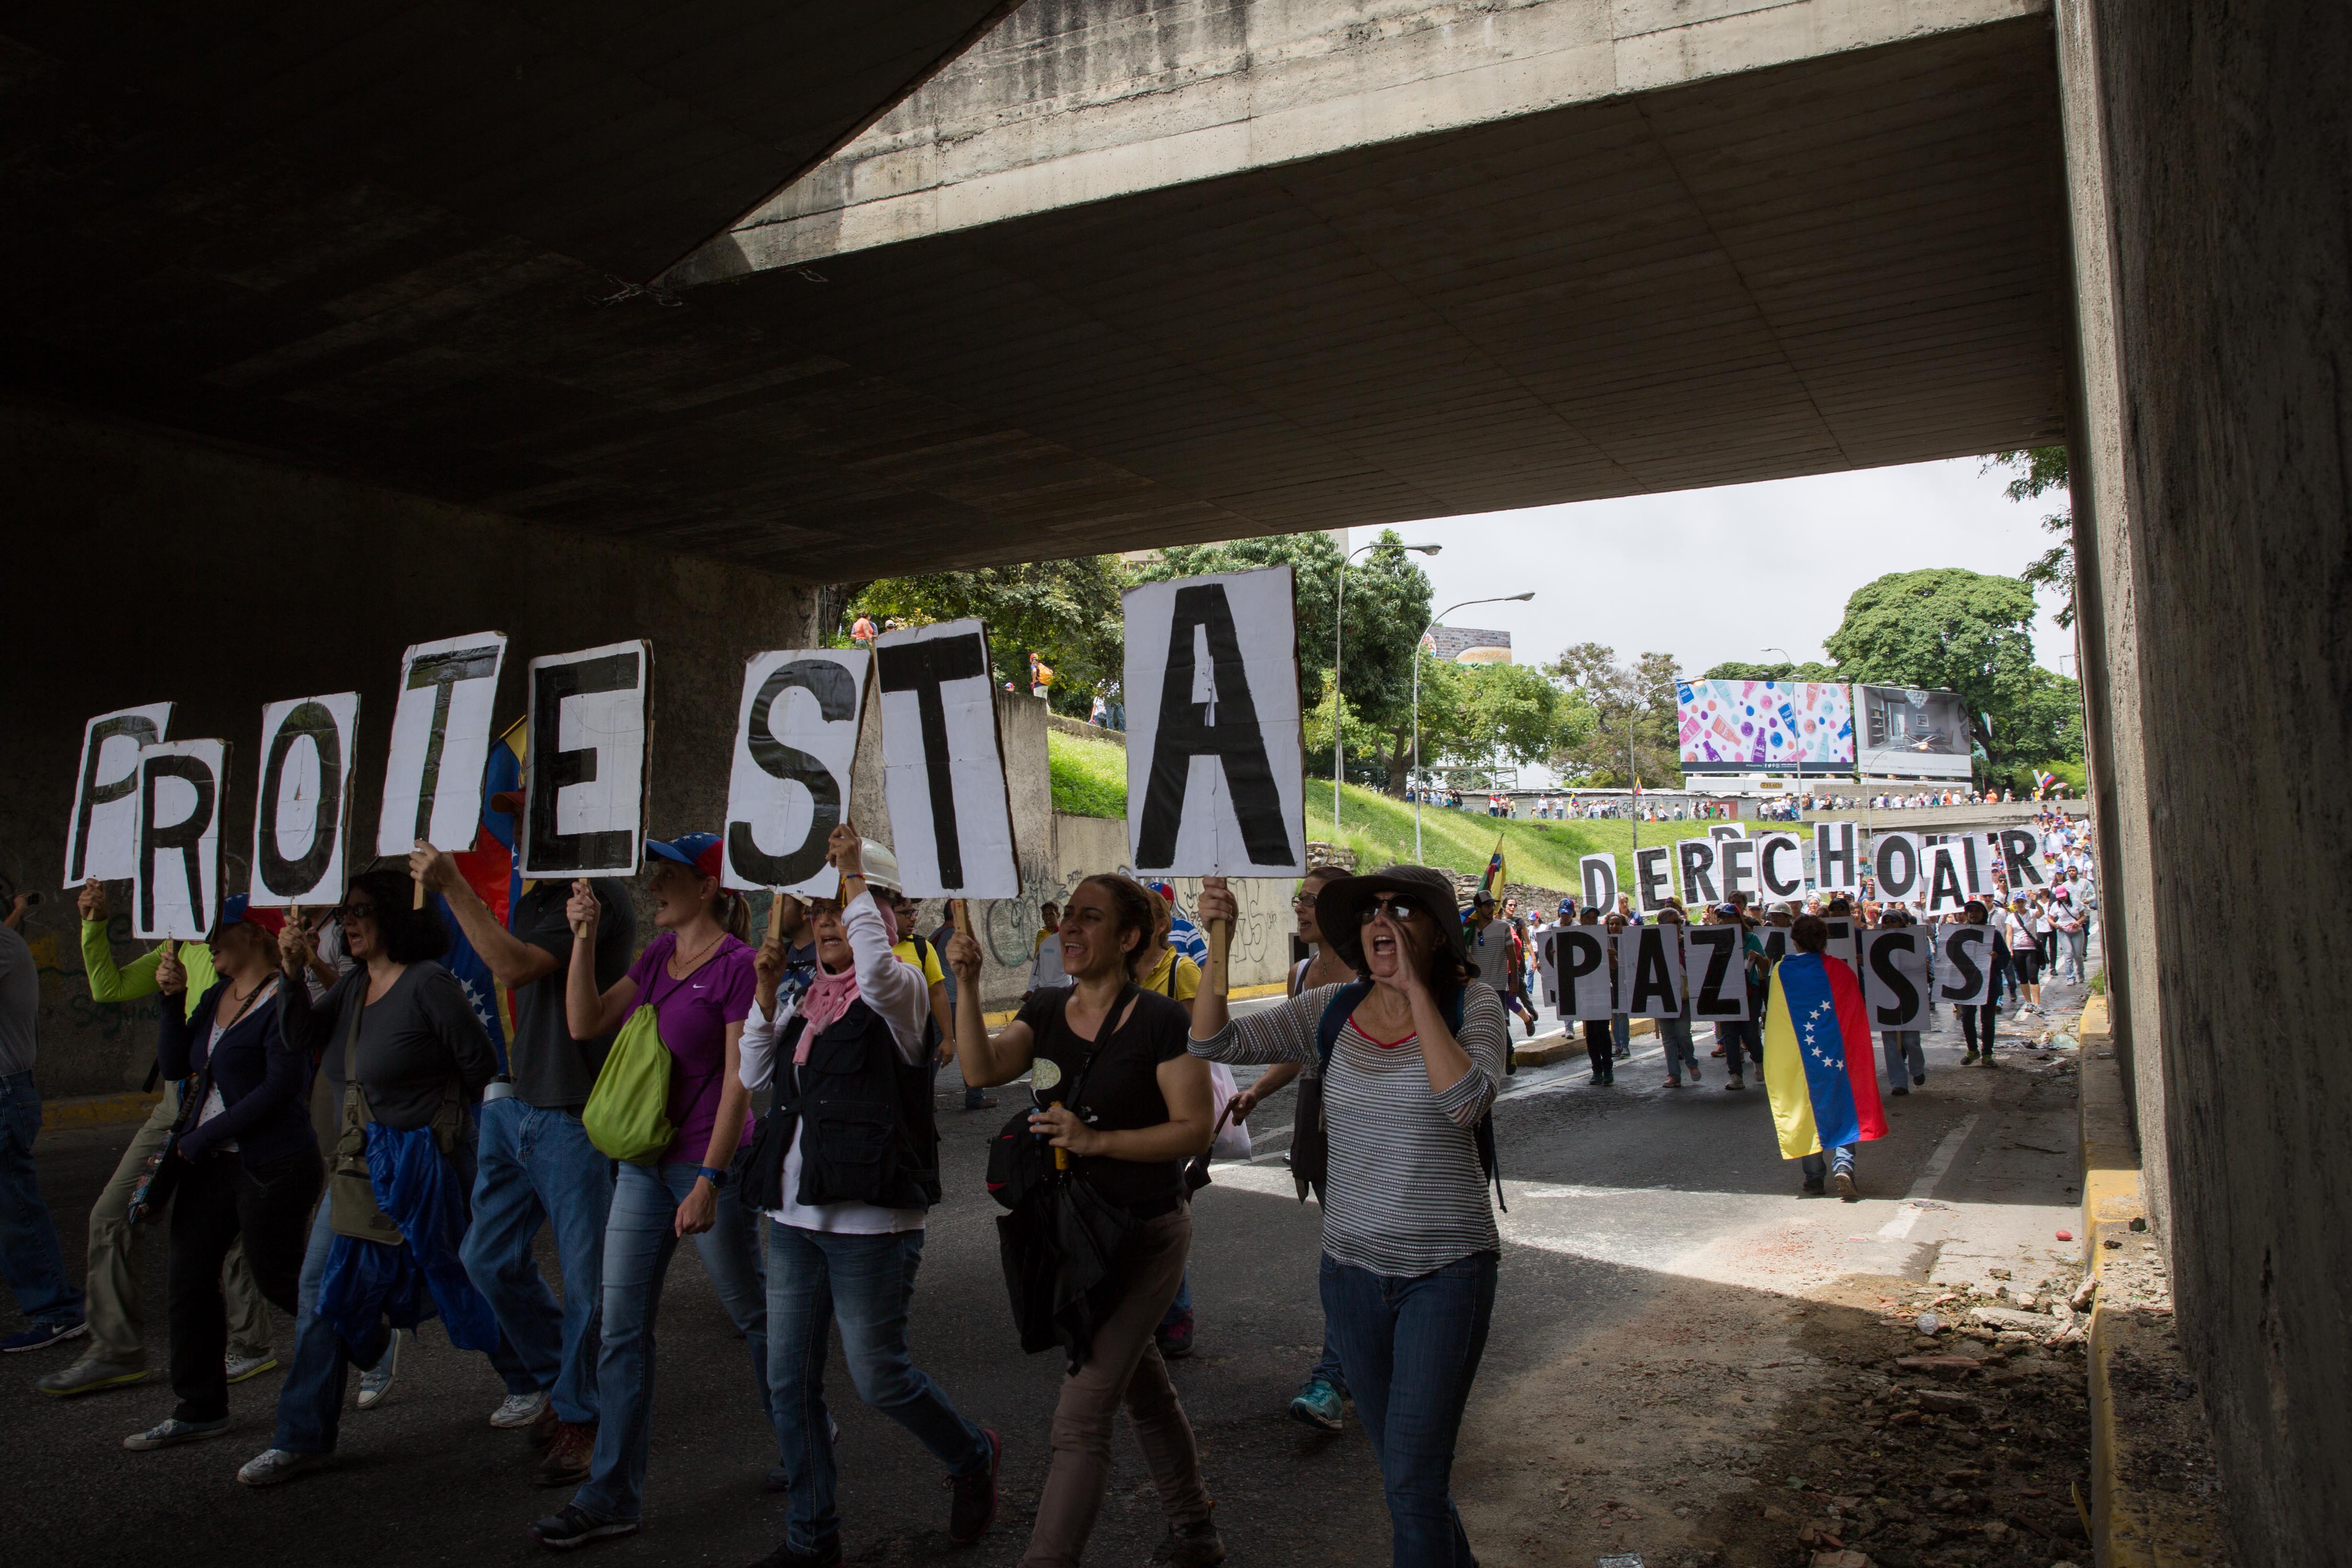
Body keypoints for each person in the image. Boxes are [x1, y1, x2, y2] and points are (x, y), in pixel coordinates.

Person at [1190, 864, 1506, 1567]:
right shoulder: (1329, 1008)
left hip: (1446, 1274)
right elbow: (1213, 1043)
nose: (1381, 921)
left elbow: (1465, 1102)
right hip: (1352, 1276)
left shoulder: (1473, 1006)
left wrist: (1417, 993)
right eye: (1371, 911)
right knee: (1405, 1476)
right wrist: (1221, 940)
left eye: (1402, 911)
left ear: (1436, 933)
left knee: (1415, 1479)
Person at [739, 827, 1002, 1567]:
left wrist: (854, 875)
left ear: (893, 916)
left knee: (879, 1376)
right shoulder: (803, 1000)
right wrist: (764, 998)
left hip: (871, 1226)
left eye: (850, 904)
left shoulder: (903, 993)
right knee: (788, 1383)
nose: (829, 917)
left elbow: (877, 971)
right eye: (819, 907)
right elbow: (754, 1078)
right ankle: (812, 1538)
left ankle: (971, 1454)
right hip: (792, 1222)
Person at [946, 875, 1222, 1568]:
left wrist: (1099, 1142)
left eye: (1089, 918)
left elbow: (1194, 1129)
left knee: (1080, 1416)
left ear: (1128, 939)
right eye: (1068, 915)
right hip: (1076, 1236)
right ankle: (1195, 1529)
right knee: (1142, 1386)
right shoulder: (1042, 1008)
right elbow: (980, 1069)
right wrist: (970, 984)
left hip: (1146, 1234)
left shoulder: (1161, 1022)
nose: (1069, 927)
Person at [526, 834, 771, 1548]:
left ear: (707, 888)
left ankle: (805, 1434)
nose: (654, 884)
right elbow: (584, 1022)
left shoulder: (737, 967)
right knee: (622, 1328)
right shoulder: (660, 956)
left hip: (705, 1167)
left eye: (668, 875)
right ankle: (611, 1496)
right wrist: (582, 939)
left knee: (754, 1314)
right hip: (643, 1164)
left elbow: (738, 1084)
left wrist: (709, 1181)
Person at [237, 868, 508, 1487]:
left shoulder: (428, 984)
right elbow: (301, 1035)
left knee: (469, 1276)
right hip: (360, 1172)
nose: (349, 922)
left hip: (426, 1167)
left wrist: (444, 1135)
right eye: (345, 911)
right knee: (320, 1291)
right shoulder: (356, 984)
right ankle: (302, 1437)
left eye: (361, 910)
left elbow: (481, 1065)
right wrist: (291, 971)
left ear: (395, 915)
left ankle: (534, 1379)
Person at [413, 841, 634, 1488]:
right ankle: (560, 1381)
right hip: (517, 1105)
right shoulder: (538, 896)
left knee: (588, 1279)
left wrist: (455, 886)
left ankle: (584, 1415)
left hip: (570, 1115)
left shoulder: (595, 896)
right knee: (486, 1258)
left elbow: (511, 969)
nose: (516, 839)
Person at [36, 879, 273, 1390]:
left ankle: (253, 1342)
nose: (209, 937)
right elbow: (108, 988)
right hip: (181, 1096)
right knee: (112, 1214)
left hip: (230, 1094)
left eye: (218, 925)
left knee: (231, 1223)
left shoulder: (251, 960)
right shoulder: (181, 947)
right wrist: (94, 924)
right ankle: (117, 1349)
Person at [122, 896, 321, 1450]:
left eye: (219, 932)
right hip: (211, 1164)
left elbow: (281, 1087)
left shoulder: (286, 995)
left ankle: (366, 1339)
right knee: (188, 1279)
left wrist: (204, 1136)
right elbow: (175, 1065)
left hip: (271, 1163)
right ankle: (199, 1407)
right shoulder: (215, 995)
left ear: (256, 935)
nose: (208, 943)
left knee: (279, 1277)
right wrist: (173, 998)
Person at [1231, 864, 1355, 1432]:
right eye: (1299, 898)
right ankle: (1354, 1364)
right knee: (1345, 1245)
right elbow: (1301, 1045)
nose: (1300, 908)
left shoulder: (1371, 973)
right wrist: (1257, 1089)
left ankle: (1337, 1374)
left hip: (1365, 1125)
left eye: (1312, 901)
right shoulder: (1301, 974)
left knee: (1348, 1253)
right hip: (1317, 1121)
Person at [1, 890, 87, 1355]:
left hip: (5, 1096)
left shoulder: (2, 946)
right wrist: (18, 910)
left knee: (14, 1212)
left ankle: (57, 1311)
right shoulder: (7, 938)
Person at [1762, 915, 1886, 1202]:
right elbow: (1855, 1015)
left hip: (1802, 1060)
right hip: (1837, 1056)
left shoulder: (1782, 971)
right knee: (1844, 1104)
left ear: (1794, 941)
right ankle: (1844, 1162)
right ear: (1824, 940)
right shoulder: (1842, 971)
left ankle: (1814, 1179)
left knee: (1807, 1108)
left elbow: (1777, 1017)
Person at [1134, 887, 1202, 1360]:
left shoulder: (1182, 970)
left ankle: (1176, 1313)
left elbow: (1197, 1044)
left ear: (1156, 925)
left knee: (1160, 1214)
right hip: (1123, 1107)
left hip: (1167, 1111)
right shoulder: (1114, 972)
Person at [928, 904, 997, 1112]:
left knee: (936, 1050)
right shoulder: (954, 937)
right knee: (971, 1047)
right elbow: (974, 953)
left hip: (940, 1001)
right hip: (956, 1000)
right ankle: (975, 1096)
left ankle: (924, 1096)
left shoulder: (936, 935)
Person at [1709, 904, 1766, 1092]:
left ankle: (1759, 1062)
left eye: (1729, 917)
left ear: (1738, 919)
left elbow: (1766, 965)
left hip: (1750, 992)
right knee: (1730, 1037)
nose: (1725, 921)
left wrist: (1757, 957)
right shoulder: (1714, 941)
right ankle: (1735, 1075)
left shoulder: (1752, 939)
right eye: (1722, 918)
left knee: (1750, 1034)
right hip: (1726, 993)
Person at [1874, 906, 1927, 1096]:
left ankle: (1918, 1069)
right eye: (1886, 922)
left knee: (1911, 1040)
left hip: (1909, 997)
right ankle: (1899, 1083)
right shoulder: (1873, 943)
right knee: (1890, 1043)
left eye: (1893, 921)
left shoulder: (1914, 941)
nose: (1889, 925)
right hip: (1884, 996)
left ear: (1902, 922)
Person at [1957, 901, 2009, 1068]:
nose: (1973, 914)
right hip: (1967, 984)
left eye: (1977, 911)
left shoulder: (1994, 935)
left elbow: (2006, 959)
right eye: (1970, 911)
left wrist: (1996, 958)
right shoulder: (1959, 934)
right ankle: (1973, 1050)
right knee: (1966, 1018)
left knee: (1987, 1020)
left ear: (1984, 914)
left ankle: (1987, 1054)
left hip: (1989, 985)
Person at [1653, 906, 1699, 1088]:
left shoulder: (1687, 943)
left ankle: (1691, 1062)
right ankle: (1674, 1075)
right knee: (1669, 1038)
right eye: (1674, 922)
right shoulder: (1653, 944)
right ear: (1662, 925)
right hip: (1663, 997)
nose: (1678, 925)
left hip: (1683, 997)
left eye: (1679, 922)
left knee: (1683, 1034)